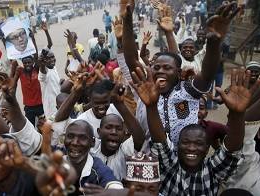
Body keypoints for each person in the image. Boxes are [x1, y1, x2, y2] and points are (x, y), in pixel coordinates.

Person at [122, 1, 240, 146]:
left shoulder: (188, 89)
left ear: (178, 73)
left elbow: (207, 74)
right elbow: (132, 60)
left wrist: (214, 43)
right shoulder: (146, 88)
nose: (160, 71)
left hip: (185, 157)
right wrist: (127, 21)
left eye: (167, 68)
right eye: (156, 67)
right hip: (152, 157)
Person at [132, 64, 257, 195]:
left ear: (207, 148)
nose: (191, 148)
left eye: (198, 144)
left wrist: (238, 114)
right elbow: (160, 141)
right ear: (177, 145)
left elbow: (231, 150)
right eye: (185, 142)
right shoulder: (170, 164)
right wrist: (151, 107)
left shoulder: (213, 170)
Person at [63, 120, 123, 195]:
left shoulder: (99, 169)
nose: (75, 142)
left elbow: (115, 188)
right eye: (70, 136)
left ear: (92, 142)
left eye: (82, 138)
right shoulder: (56, 161)